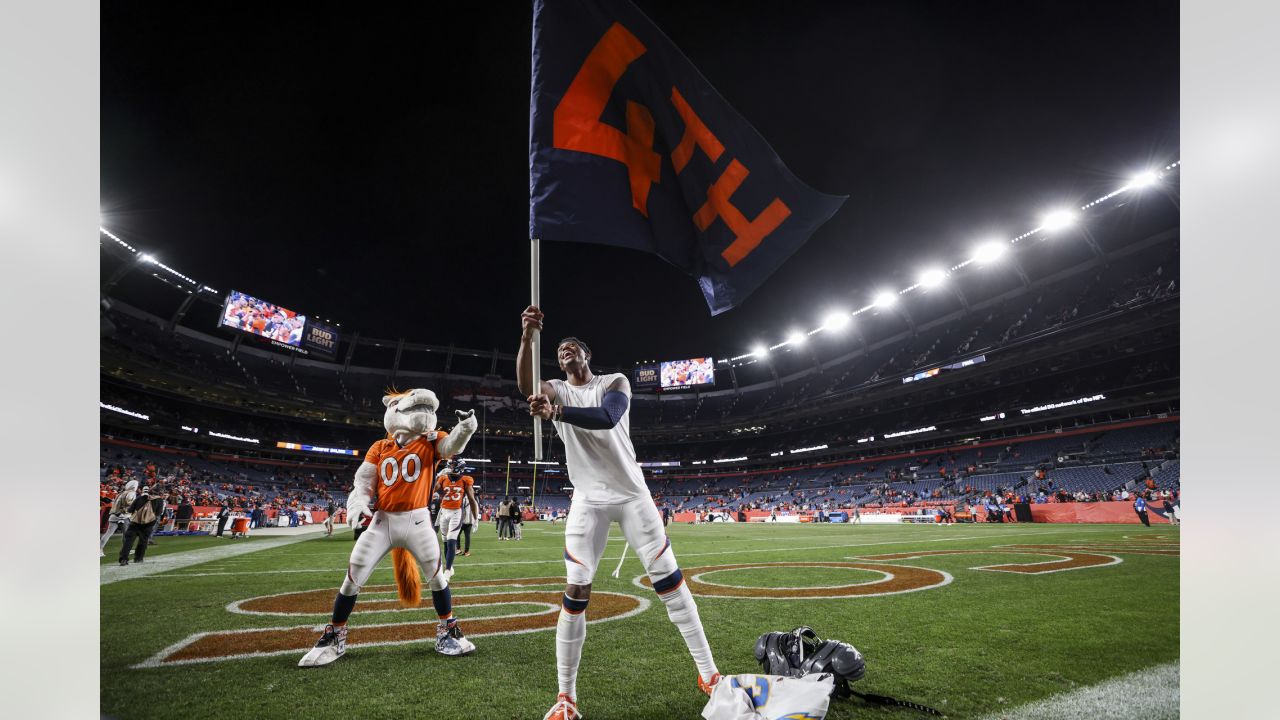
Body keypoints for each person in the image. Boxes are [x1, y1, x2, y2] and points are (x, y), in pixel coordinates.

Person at [519, 306, 720, 720]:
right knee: (576, 591)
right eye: (558, 350)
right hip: (587, 500)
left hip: (632, 496)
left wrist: (555, 413)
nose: (564, 352)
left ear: (587, 356)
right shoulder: (555, 388)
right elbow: (528, 387)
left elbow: (608, 418)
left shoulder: (614, 382)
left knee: (671, 585)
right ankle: (565, 697)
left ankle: (708, 674)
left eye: (571, 347)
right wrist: (527, 338)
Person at [298, 389, 480, 667]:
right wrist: (358, 501)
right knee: (354, 573)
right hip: (382, 521)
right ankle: (335, 635)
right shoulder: (380, 447)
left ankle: (448, 630)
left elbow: (451, 447)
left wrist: (465, 427)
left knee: (436, 576)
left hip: (418, 520)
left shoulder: (432, 440)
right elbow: (364, 480)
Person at [433, 459, 480, 580]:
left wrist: (475, 518)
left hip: (456, 513)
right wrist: (437, 476)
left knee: (451, 540)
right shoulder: (443, 478)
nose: (450, 468)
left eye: (452, 466)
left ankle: (447, 570)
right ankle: (450, 567)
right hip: (443, 512)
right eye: (449, 466)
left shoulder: (466, 480)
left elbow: (471, 500)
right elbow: (432, 489)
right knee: (445, 542)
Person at [118, 484, 165, 566]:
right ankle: (138, 558)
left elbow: (130, 509)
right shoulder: (160, 500)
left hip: (135, 523)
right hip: (148, 524)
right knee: (143, 542)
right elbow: (158, 513)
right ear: (160, 492)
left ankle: (124, 559)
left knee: (128, 542)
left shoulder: (140, 497)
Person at [101, 479, 138, 556]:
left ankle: (99, 549)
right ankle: (127, 549)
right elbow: (128, 505)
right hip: (124, 516)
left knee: (108, 534)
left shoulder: (121, 493)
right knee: (127, 534)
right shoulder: (131, 493)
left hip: (114, 515)